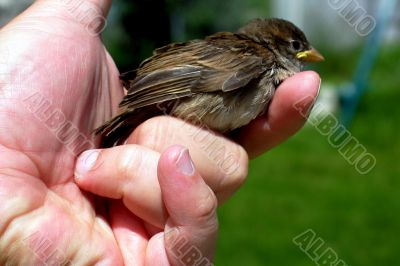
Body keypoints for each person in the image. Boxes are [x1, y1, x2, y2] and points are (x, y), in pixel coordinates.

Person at [0, 0, 320, 264]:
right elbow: (188, 76)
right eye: (297, 47)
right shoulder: (257, 57)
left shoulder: (251, 57)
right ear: (276, 44)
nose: (307, 56)